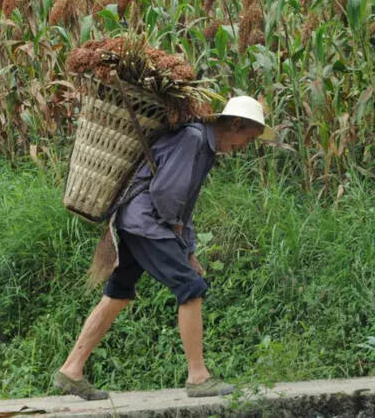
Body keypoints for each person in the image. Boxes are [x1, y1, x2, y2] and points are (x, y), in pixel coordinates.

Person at [54, 96, 274, 399]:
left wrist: (189, 249)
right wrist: (178, 239)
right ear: (235, 124)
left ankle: (71, 369)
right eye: (246, 138)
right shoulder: (192, 139)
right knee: (190, 288)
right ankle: (198, 376)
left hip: (138, 221)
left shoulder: (203, 147)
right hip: (146, 222)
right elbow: (166, 195)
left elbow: (186, 205)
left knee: (118, 294)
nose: (244, 147)